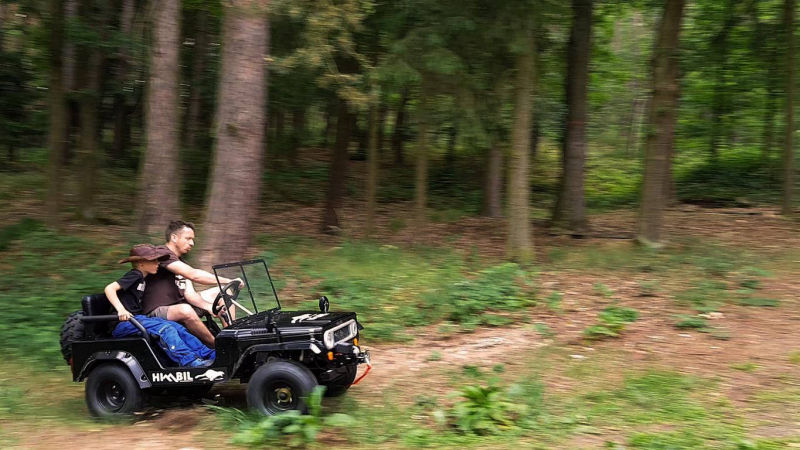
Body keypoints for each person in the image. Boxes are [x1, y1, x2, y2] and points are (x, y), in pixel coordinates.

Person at [105, 244, 215, 368]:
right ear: (141, 263)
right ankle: (189, 361)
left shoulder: (144, 278)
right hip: (123, 324)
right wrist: (121, 310)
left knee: (175, 327)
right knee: (165, 329)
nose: (158, 263)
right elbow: (109, 288)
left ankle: (208, 354)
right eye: (154, 260)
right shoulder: (135, 275)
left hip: (136, 320)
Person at [141, 220, 238, 348]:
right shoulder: (162, 254)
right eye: (188, 238)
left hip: (178, 306)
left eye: (192, 239)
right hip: (155, 312)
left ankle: (231, 337)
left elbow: (190, 294)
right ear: (174, 237)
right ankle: (218, 347)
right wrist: (227, 280)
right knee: (185, 310)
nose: (192, 243)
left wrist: (208, 306)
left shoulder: (180, 261)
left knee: (223, 291)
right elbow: (194, 275)